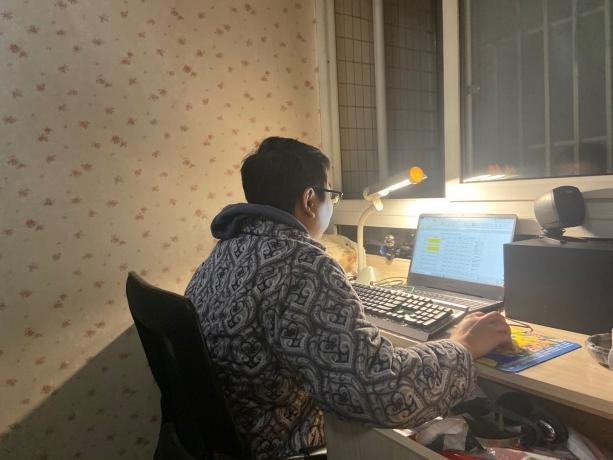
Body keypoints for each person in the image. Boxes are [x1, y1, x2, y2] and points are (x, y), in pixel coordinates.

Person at [185, 137, 511, 459]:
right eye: (331, 195)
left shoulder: (224, 254)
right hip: (280, 442)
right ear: (310, 200)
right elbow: (381, 392)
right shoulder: (301, 263)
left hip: (228, 436)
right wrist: (462, 346)